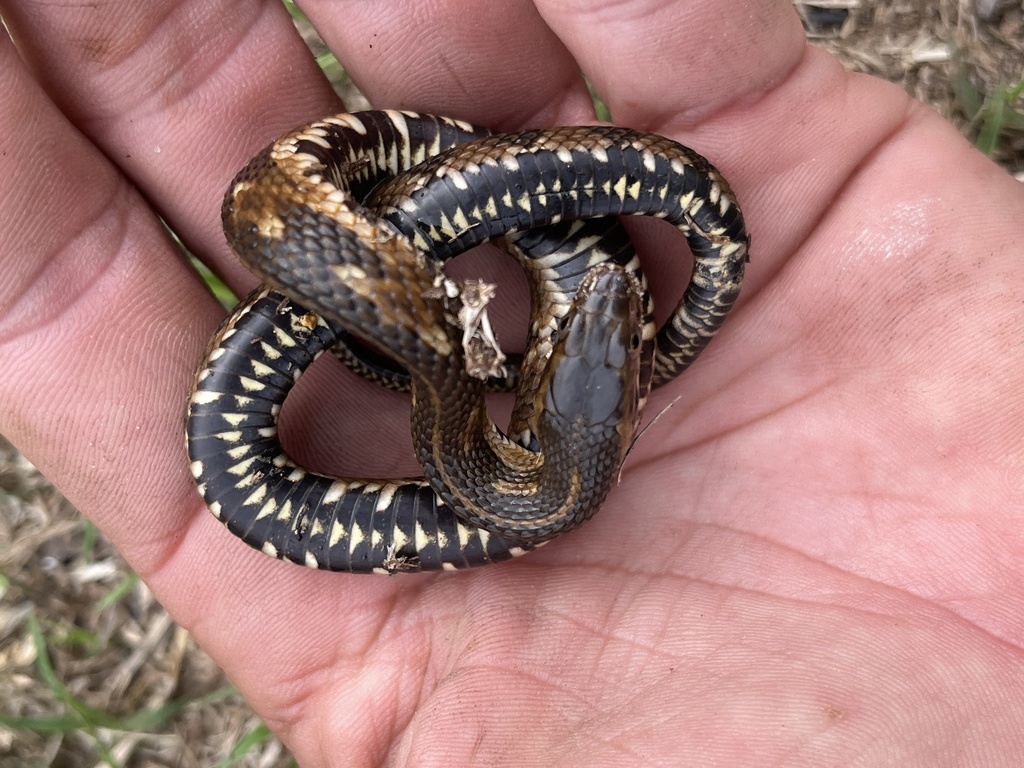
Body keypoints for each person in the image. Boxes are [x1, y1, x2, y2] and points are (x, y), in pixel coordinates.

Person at [1, 1, 1022, 764]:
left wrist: (398, 328)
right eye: (603, 331)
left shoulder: (499, 452)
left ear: (541, 402)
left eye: (594, 338)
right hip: (373, 240)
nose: (605, 312)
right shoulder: (507, 446)